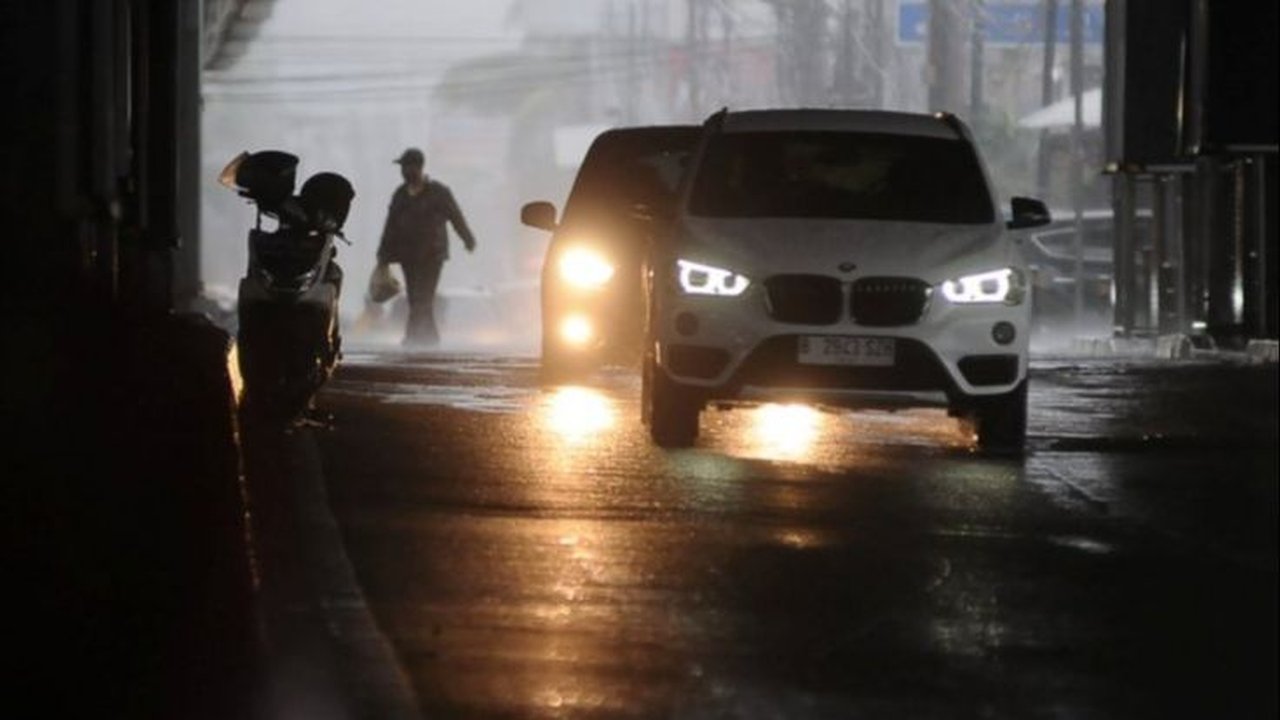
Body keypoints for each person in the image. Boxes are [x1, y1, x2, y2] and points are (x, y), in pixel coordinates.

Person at [376, 147, 477, 346]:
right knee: (415, 298)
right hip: (407, 256)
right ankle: (430, 338)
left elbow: (456, 217)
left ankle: (411, 337)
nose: (404, 171)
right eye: (402, 167)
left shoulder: (438, 192)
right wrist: (383, 255)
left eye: (407, 167)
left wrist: (467, 239)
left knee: (423, 296)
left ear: (417, 167)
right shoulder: (400, 195)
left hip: (432, 255)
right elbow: (391, 226)